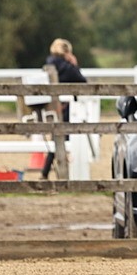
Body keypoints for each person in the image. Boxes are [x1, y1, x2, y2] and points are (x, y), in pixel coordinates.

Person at [42, 38, 87, 179]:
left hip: (52, 107)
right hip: (66, 108)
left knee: (56, 139)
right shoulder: (68, 68)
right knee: (64, 140)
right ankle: (60, 173)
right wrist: (74, 64)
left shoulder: (48, 65)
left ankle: (45, 172)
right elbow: (82, 81)